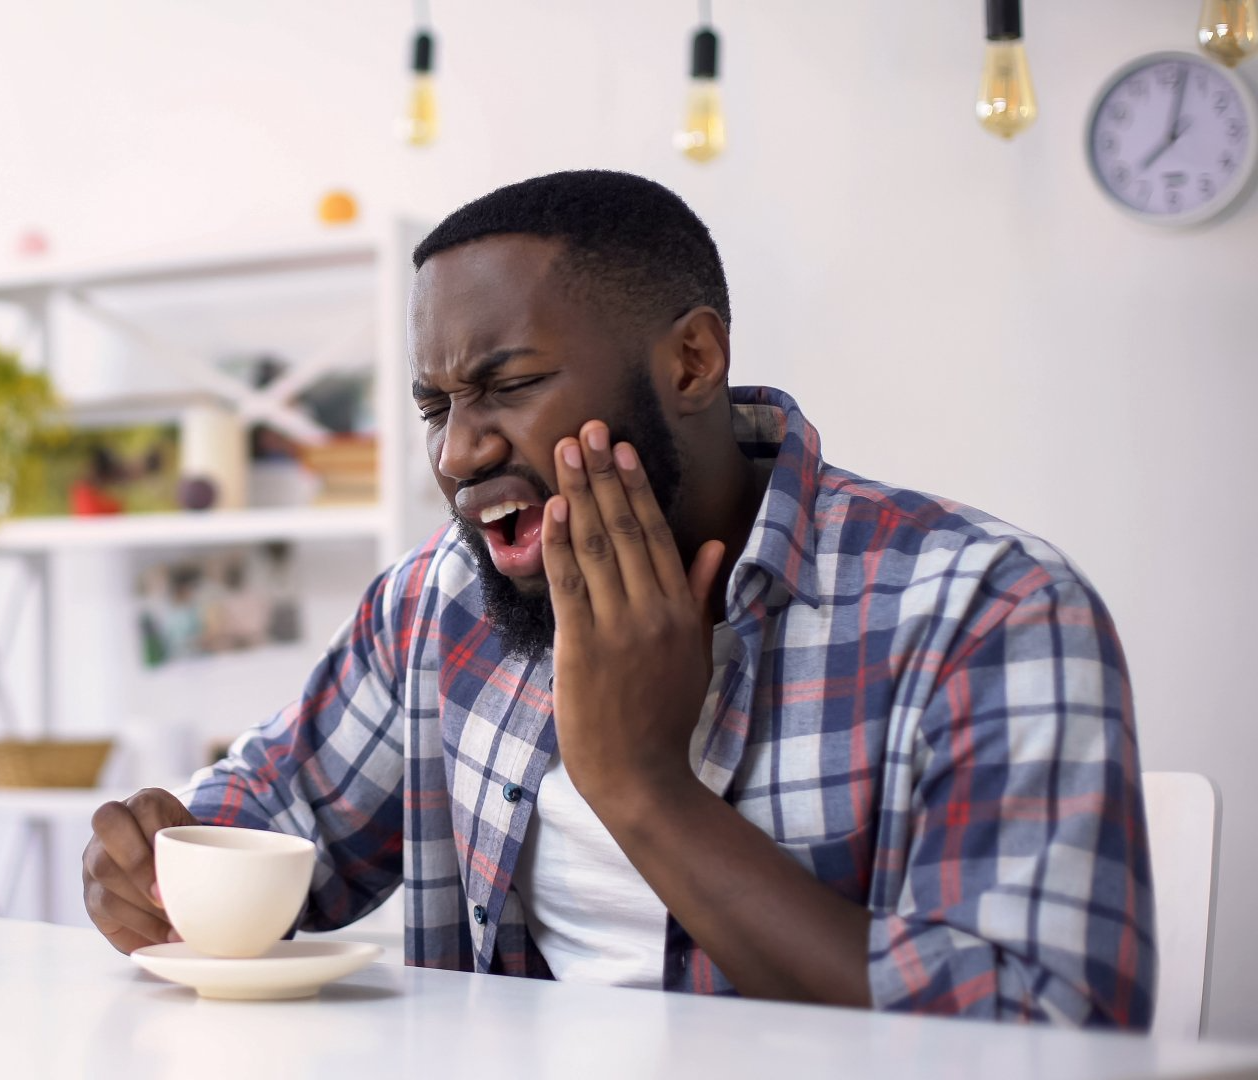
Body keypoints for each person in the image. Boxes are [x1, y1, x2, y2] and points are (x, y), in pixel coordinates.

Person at [82, 170, 1155, 1026]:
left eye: (507, 387)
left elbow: (1045, 1033)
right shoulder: (439, 602)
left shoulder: (987, 611)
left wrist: (642, 785)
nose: (458, 452)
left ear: (691, 362)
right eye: (435, 404)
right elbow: (267, 830)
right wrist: (151, 859)